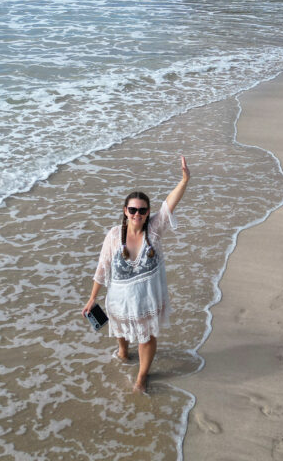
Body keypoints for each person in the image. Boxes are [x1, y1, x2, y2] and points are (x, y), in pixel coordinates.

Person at [82, 156, 190, 393]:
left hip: (146, 300)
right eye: (132, 209)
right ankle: (123, 352)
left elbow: (169, 204)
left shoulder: (155, 229)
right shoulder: (113, 235)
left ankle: (141, 377)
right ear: (125, 211)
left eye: (142, 210)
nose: (137, 214)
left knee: (146, 337)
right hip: (118, 301)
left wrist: (184, 180)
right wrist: (92, 298)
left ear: (148, 211)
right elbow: (102, 267)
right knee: (120, 332)